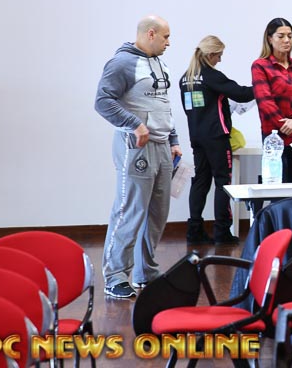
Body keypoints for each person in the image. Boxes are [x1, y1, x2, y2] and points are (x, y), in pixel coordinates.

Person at [95, 15, 182, 299]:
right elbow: (102, 101)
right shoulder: (122, 63)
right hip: (136, 146)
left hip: (162, 146)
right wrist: (135, 124)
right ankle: (115, 276)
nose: (169, 42)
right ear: (151, 34)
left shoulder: (159, 62)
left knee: (157, 213)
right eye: (166, 37)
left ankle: (146, 272)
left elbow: (162, 104)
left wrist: (173, 139)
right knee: (130, 210)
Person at [179, 35, 254, 245]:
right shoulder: (212, 76)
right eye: (219, 55)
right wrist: (263, 86)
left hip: (197, 136)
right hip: (216, 137)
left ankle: (194, 231)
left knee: (200, 181)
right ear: (210, 54)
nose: (220, 60)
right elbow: (241, 94)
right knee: (223, 182)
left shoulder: (185, 78)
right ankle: (222, 232)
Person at [252, 18, 292, 184]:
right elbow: (265, 102)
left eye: (290, 36)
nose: (287, 40)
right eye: (281, 36)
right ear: (270, 39)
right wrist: (289, 128)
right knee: (277, 187)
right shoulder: (260, 66)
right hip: (274, 138)